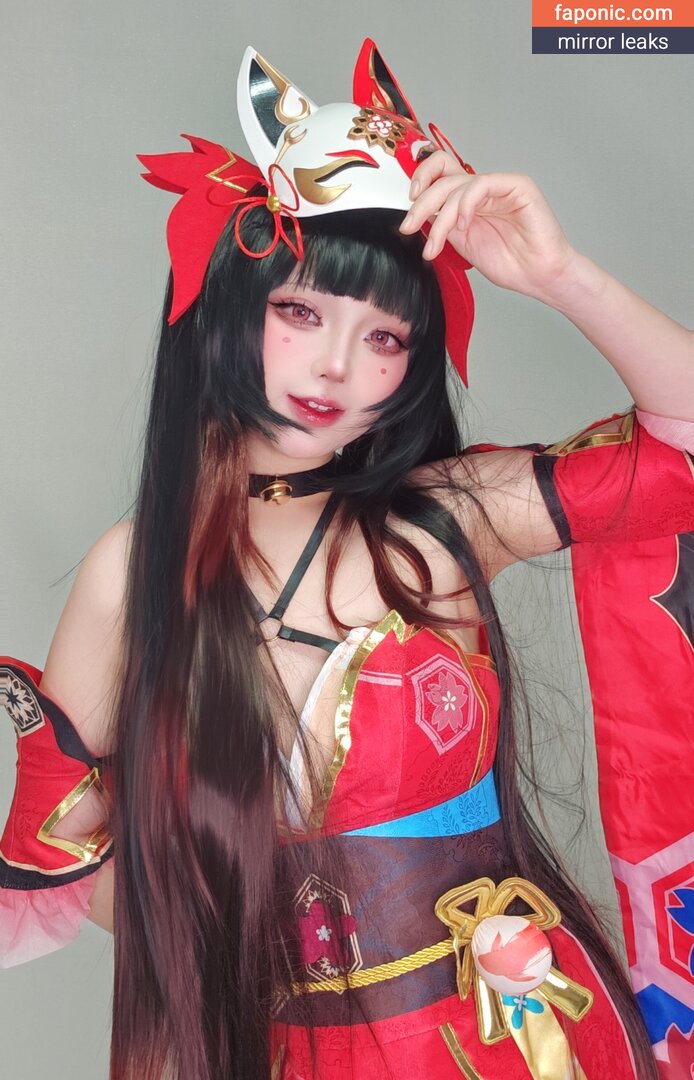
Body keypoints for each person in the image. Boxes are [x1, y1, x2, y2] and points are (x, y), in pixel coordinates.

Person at [1, 38, 692, 1080]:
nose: (335, 366)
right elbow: (59, 857)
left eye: (385, 339)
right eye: (300, 312)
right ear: (225, 309)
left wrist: (560, 277)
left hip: (517, 1038)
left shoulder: (450, 518)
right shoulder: (132, 572)